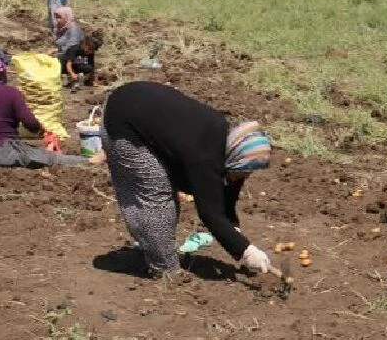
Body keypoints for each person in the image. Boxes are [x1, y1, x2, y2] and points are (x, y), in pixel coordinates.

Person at [101, 81, 275, 277]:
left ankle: (154, 246)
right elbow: (209, 214)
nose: (246, 176)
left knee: (164, 186)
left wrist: (234, 230)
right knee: (157, 193)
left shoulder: (228, 143)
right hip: (123, 121)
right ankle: (165, 269)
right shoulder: (205, 155)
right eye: (245, 170)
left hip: (137, 105)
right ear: (236, 157)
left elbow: (225, 197)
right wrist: (246, 250)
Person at [0, 58, 95, 169]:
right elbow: (31, 124)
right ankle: (90, 161)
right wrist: (41, 130)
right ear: (1, 75)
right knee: (45, 157)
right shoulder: (11, 93)